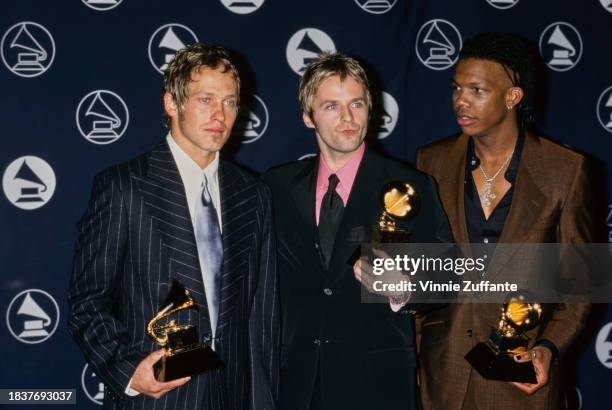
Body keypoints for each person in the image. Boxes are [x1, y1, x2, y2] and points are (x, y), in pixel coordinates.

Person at [68, 43, 279, 410]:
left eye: (230, 102)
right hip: (158, 399)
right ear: (172, 103)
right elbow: (87, 301)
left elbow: (262, 318)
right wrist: (129, 373)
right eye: (205, 99)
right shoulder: (124, 186)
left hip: (235, 397)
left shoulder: (253, 194)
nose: (220, 114)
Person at [415, 32, 596, 409]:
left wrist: (548, 347)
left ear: (513, 97)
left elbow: (579, 286)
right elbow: (422, 270)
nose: (460, 100)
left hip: (521, 381)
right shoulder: (430, 163)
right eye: (457, 88)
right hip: (442, 379)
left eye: (477, 90)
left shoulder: (565, 171)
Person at [262, 52, 450, 410]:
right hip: (295, 384)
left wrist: (405, 289)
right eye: (331, 106)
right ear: (308, 116)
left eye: (357, 104)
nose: (347, 118)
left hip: (376, 384)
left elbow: (449, 274)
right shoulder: (276, 185)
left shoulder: (410, 185)